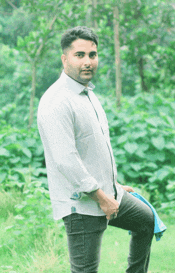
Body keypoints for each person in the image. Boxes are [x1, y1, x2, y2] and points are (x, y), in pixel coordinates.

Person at [37, 26, 154, 273]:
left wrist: (114, 185)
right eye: (80, 55)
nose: (88, 62)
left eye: (93, 54)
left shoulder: (87, 94)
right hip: (81, 203)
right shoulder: (56, 101)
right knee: (85, 270)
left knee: (146, 221)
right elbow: (65, 160)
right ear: (65, 58)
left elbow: (92, 150)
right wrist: (101, 197)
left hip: (108, 194)